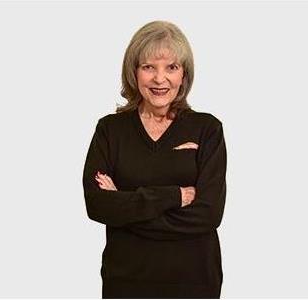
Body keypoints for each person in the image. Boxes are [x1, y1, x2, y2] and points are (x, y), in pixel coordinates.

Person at [82, 20, 227, 299]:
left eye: (171, 67)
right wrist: (173, 197)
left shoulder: (207, 129)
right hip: (125, 282)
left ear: (183, 75)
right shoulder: (110, 130)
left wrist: (125, 208)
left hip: (194, 282)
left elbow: (209, 214)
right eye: (149, 67)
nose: (160, 79)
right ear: (134, 72)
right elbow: (97, 204)